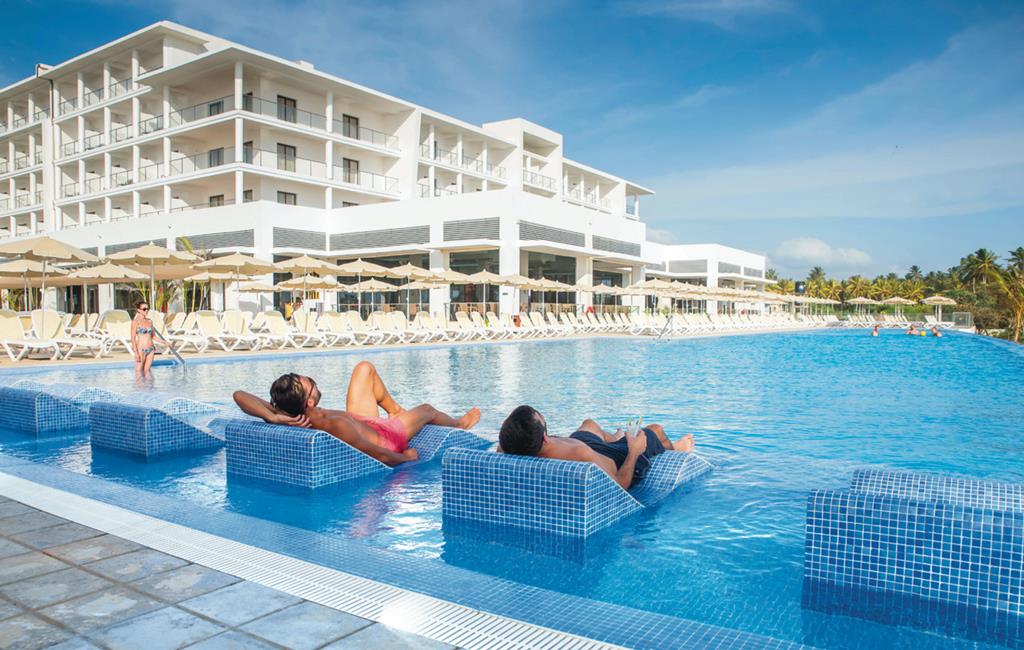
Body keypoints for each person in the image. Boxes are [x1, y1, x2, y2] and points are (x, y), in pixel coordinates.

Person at [233, 361, 481, 466]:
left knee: (364, 368)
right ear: (309, 401)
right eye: (311, 382)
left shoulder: (287, 412)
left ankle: (395, 410)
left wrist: (272, 416)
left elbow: (239, 395)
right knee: (427, 410)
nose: (312, 380)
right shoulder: (334, 426)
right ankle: (460, 424)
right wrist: (405, 458)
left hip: (363, 422)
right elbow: (378, 455)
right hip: (387, 436)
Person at [498, 405, 695, 490]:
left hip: (584, 446)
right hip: (616, 460)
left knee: (589, 423)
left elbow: (502, 448)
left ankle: (616, 438)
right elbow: (619, 485)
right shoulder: (580, 454)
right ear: (544, 438)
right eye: (540, 416)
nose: (541, 414)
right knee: (655, 430)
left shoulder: (511, 445)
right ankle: (676, 448)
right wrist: (634, 450)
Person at [130, 300, 156, 377]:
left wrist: (165, 342)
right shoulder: (135, 322)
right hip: (141, 350)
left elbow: (153, 336)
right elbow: (133, 338)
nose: (146, 310)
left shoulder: (150, 321)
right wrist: (136, 353)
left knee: (148, 373)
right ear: (139, 310)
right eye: (144, 309)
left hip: (151, 350)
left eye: (147, 309)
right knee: (138, 374)